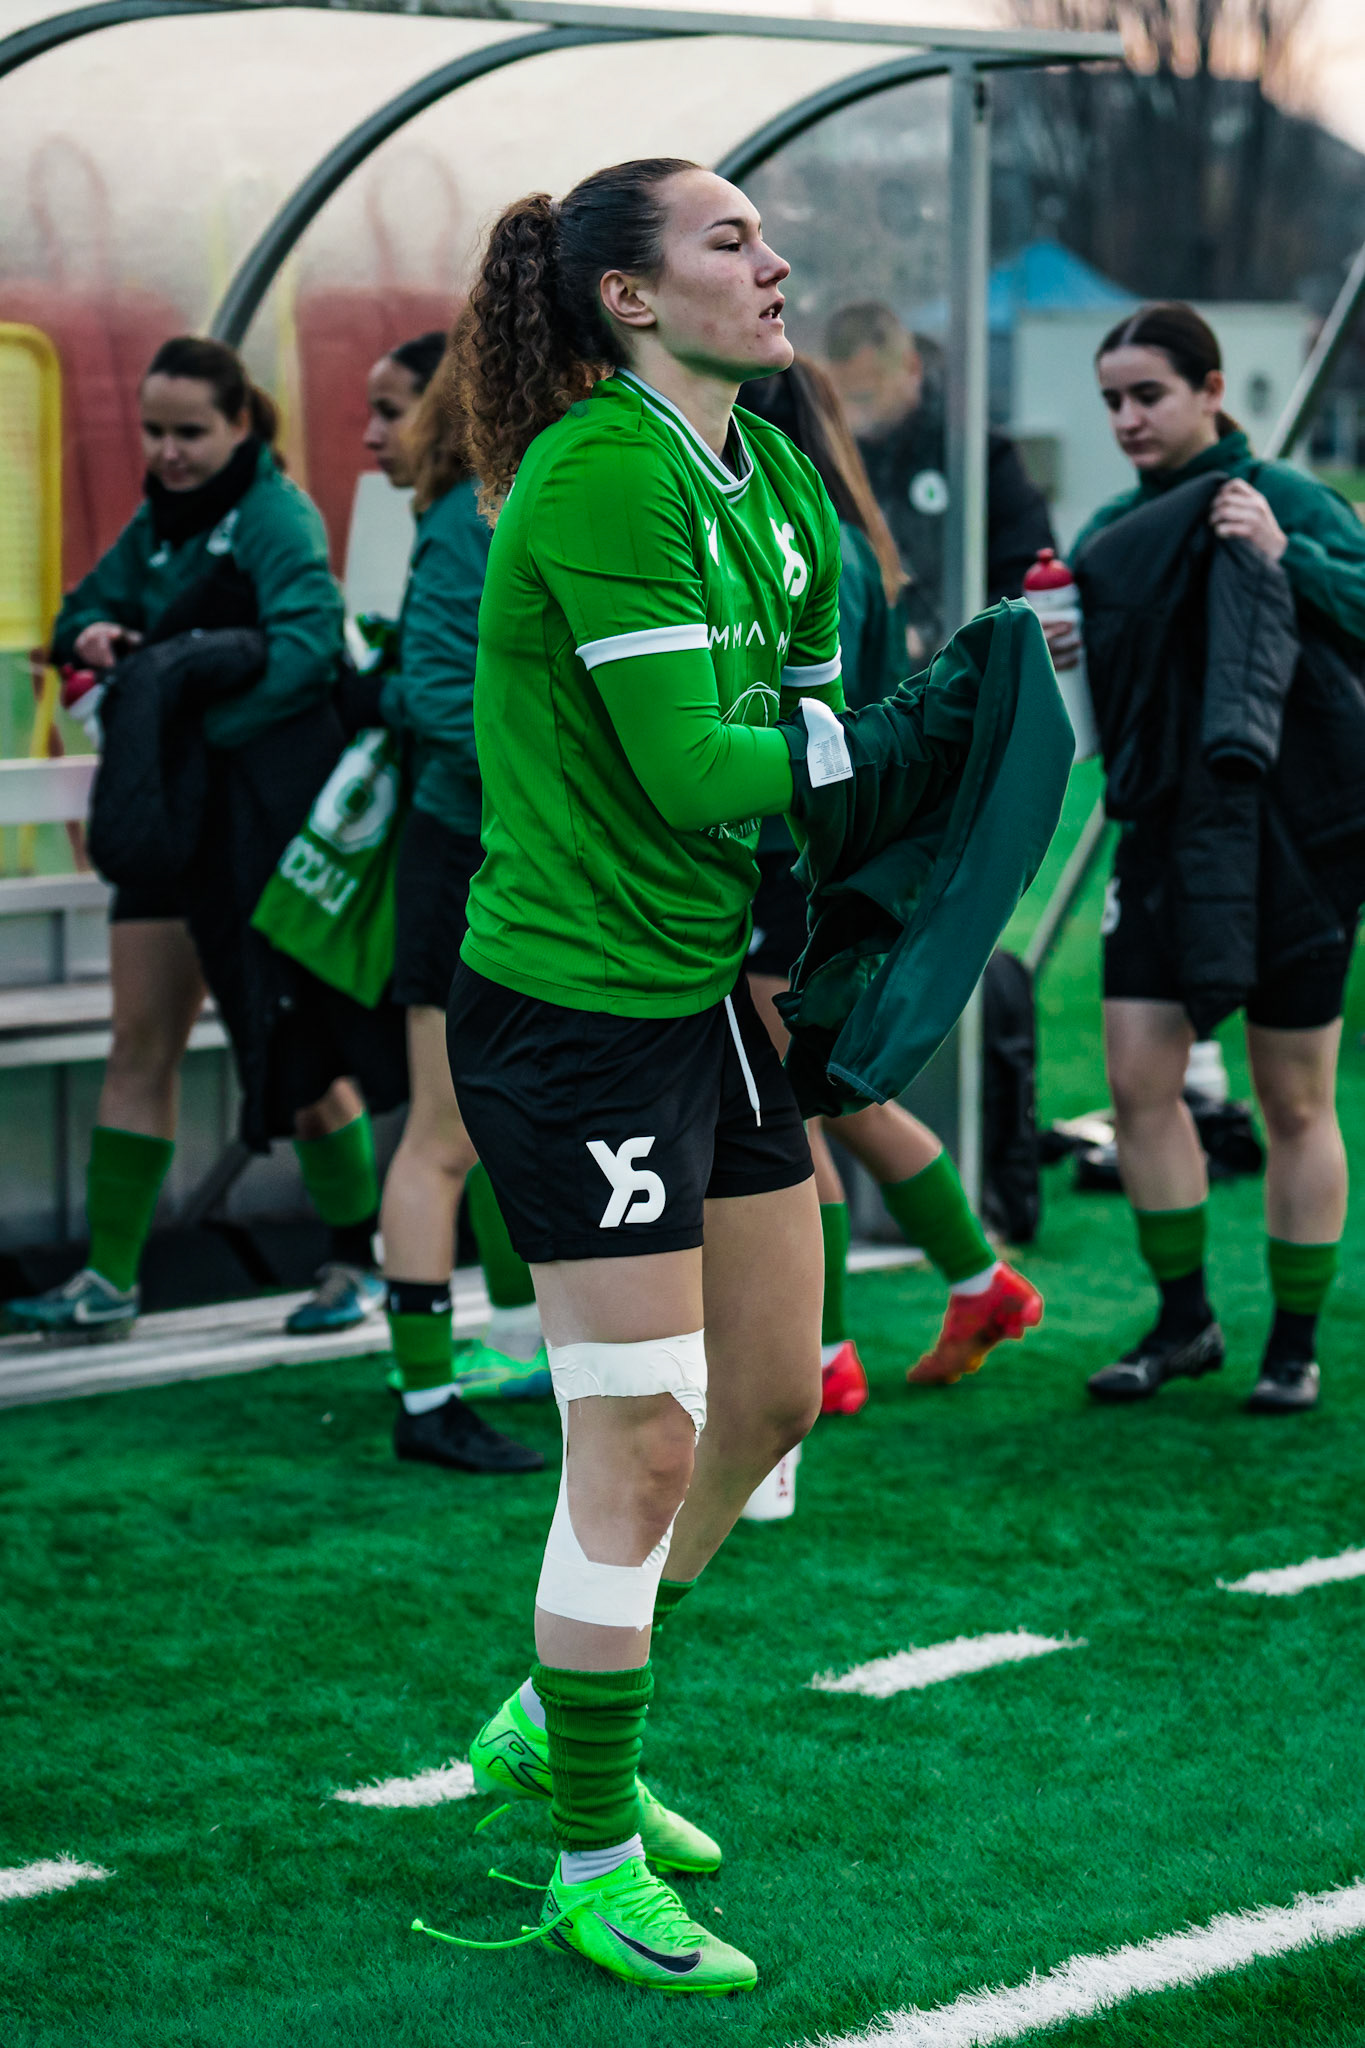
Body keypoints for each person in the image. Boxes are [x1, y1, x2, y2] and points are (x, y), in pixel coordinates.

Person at [411, 156, 868, 2000]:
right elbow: (703, 765)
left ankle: (554, 1707)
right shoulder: (604, 467)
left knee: (771, 1397)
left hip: (701, 1000)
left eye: (767, 234)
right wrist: (900, 743)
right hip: (572, 1011)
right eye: (729, 240)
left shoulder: (773, 481)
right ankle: (591, 1856)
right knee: (643, 1432)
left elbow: (807, 774)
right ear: (627, 296)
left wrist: (835, 877)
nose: (775, 262)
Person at [7, 338, 386, 1344]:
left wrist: (183, 719)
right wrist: (92, 636)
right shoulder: (160, 524)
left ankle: (359, 1256)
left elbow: (307, 651)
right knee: (139, 1041)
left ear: (241, 428)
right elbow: (79, 609)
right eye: (152, 431)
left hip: (251, 831)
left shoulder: (271, 515)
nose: (167, 453)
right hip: (166, 829)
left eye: (189, 433)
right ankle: (108, 1280)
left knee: (291, 1050)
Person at [1054, 302, 1365, 1413]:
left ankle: (1294, 1342)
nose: (1129, 419)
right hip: (1162, 837)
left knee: (1293, 1097)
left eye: (1149, 395)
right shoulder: (1105, 532)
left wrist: (1288, 560)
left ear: (1212, 389)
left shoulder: (1283, 499)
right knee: (1140, 1078)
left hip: (1297, 840)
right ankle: (1185, 1322)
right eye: (1112, 402)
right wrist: (1066, 646)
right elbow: (1086, 709)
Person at [739, 356, 1043, 1403]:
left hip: (786, 849)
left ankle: (822, 1356)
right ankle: (977, 1278)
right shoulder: (852, 535)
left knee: (790, 1110)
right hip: (829, 845)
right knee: (833, 1094)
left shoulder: (782, 534)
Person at [360, 328, 545, 1476]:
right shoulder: (460, 524)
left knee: (485, 1131)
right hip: (458, 857)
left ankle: (504, 1359)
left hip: (504, 858)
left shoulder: (509, 505)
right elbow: (436, 693)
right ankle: (425, 1400)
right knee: (442, 1137)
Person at [825, 300, 1054, 655]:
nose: (852, 415)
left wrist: (940, 640)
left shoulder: (976, 455)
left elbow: (1024, 575)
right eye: (838, 401)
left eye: (865, 397)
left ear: (911, 367)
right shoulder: (827, 459)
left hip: (959, 680)